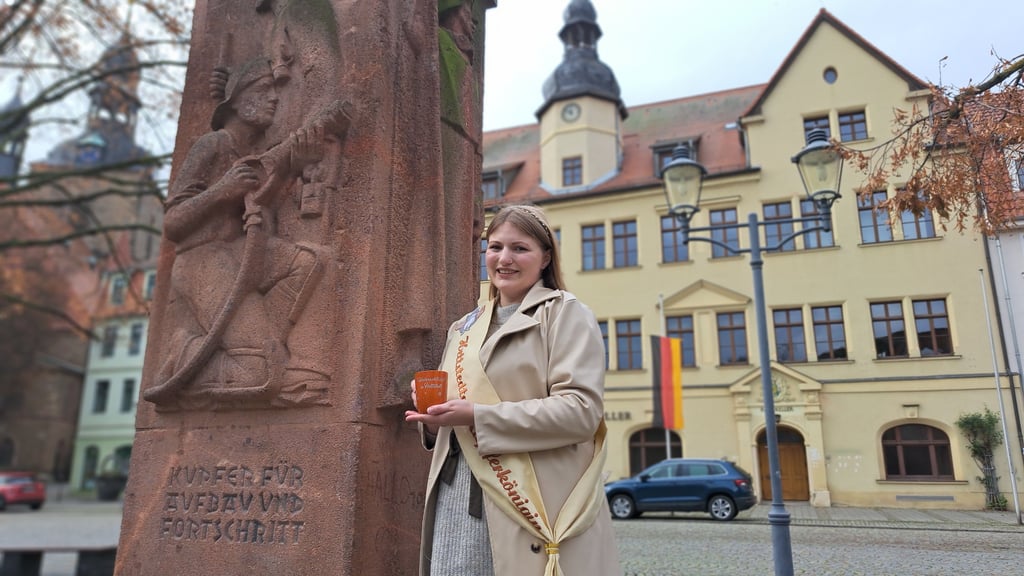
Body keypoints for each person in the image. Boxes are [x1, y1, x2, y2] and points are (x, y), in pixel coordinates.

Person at [405, 204, 621, 575]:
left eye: (520, 248)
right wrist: (432, 420)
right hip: (455, 495)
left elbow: (581, 411)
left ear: (545, 257)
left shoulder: (564, 314)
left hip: (526, 500)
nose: (504, 259)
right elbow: (454, 421)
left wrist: (478, 416)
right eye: (494, 247)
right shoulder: (464, 325)